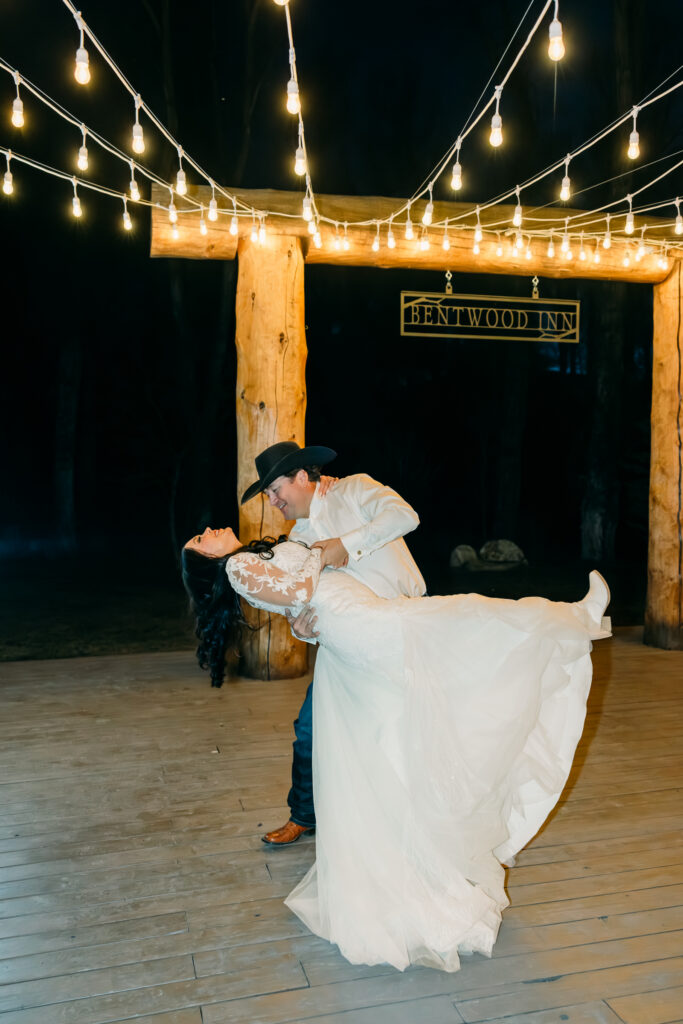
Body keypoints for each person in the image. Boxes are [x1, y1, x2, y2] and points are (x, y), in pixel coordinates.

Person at [181, 525, 610, 973]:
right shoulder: (237, 567)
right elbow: (304, 587)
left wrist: (304, 622)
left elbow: (299, 603)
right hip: (367, 626)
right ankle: (574, 620)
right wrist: (322, 554)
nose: (208, 530)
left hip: (360, 621)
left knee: (457, 638)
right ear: (207, 561)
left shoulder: (248, 562)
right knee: (469, 619)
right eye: (200, 540)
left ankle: (570, 624)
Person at [241, 441, 426, 847]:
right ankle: (303, 816)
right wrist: (302, 629)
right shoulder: (296, 539)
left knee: (397, 731)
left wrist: (346, 543)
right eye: (268, 494)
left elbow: (405, 516)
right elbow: (303, 605)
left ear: (301, 477)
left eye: (275, 490)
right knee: (308, 730)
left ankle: (404, 821)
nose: (273, 501)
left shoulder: (354, 490)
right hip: (344, 648)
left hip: (401, 633)